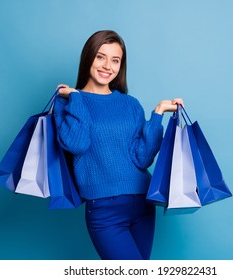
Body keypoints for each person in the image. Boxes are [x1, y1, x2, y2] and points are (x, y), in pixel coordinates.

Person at [54, 30, 184, 260]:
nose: (107, 66)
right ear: (88, 58)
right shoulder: (68, 103)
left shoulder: (130, 104)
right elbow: (77, 144)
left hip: (143, 204)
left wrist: (158, 114)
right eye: (100, 57)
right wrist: (75, 98)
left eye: (115, 60)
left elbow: (141, 158)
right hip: (105, 209)